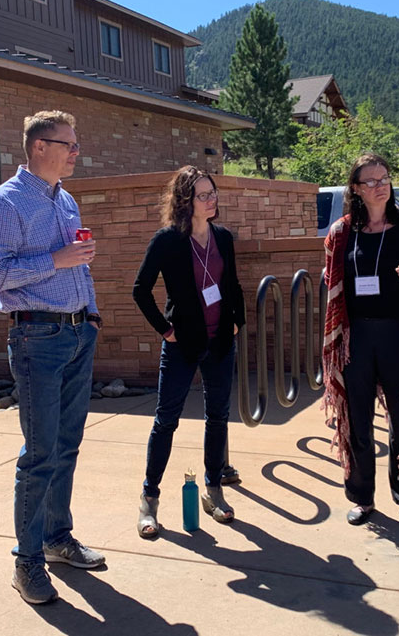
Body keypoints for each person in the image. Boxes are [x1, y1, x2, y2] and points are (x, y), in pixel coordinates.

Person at [0, 110, 103, 606]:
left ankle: (56, 538)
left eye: (75, 143)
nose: (76, 152)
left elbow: (79, 265)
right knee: (40, 454)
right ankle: (26, 562)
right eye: (68, 144)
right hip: (37, 338)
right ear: (39, 147)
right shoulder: (5, 202)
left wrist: (91, 314)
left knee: (67, 445)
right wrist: (56, 260)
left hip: (77, 333)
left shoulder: (65, 199)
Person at [132, 166, 246, 538]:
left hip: (220, 343)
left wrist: (238, 321)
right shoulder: (168, 240)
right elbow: (140, 290)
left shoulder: (222, 237)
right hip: (183, 346)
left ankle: (213, 490)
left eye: (213, 193)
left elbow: (232, 284)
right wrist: (165, 331)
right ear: (186, 201)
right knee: (166, 420)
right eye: (204, 195)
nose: (212, 200)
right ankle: (149, 498)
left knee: (218, 417)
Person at [321, 153, 399, 527]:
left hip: (398, 335)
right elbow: (333, 278)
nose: (380, 186)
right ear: (356, 189)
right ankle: (362, 497)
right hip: (355, 338)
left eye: (384, 178)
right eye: (370, 181)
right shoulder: (342, 232)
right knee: (357, 419)